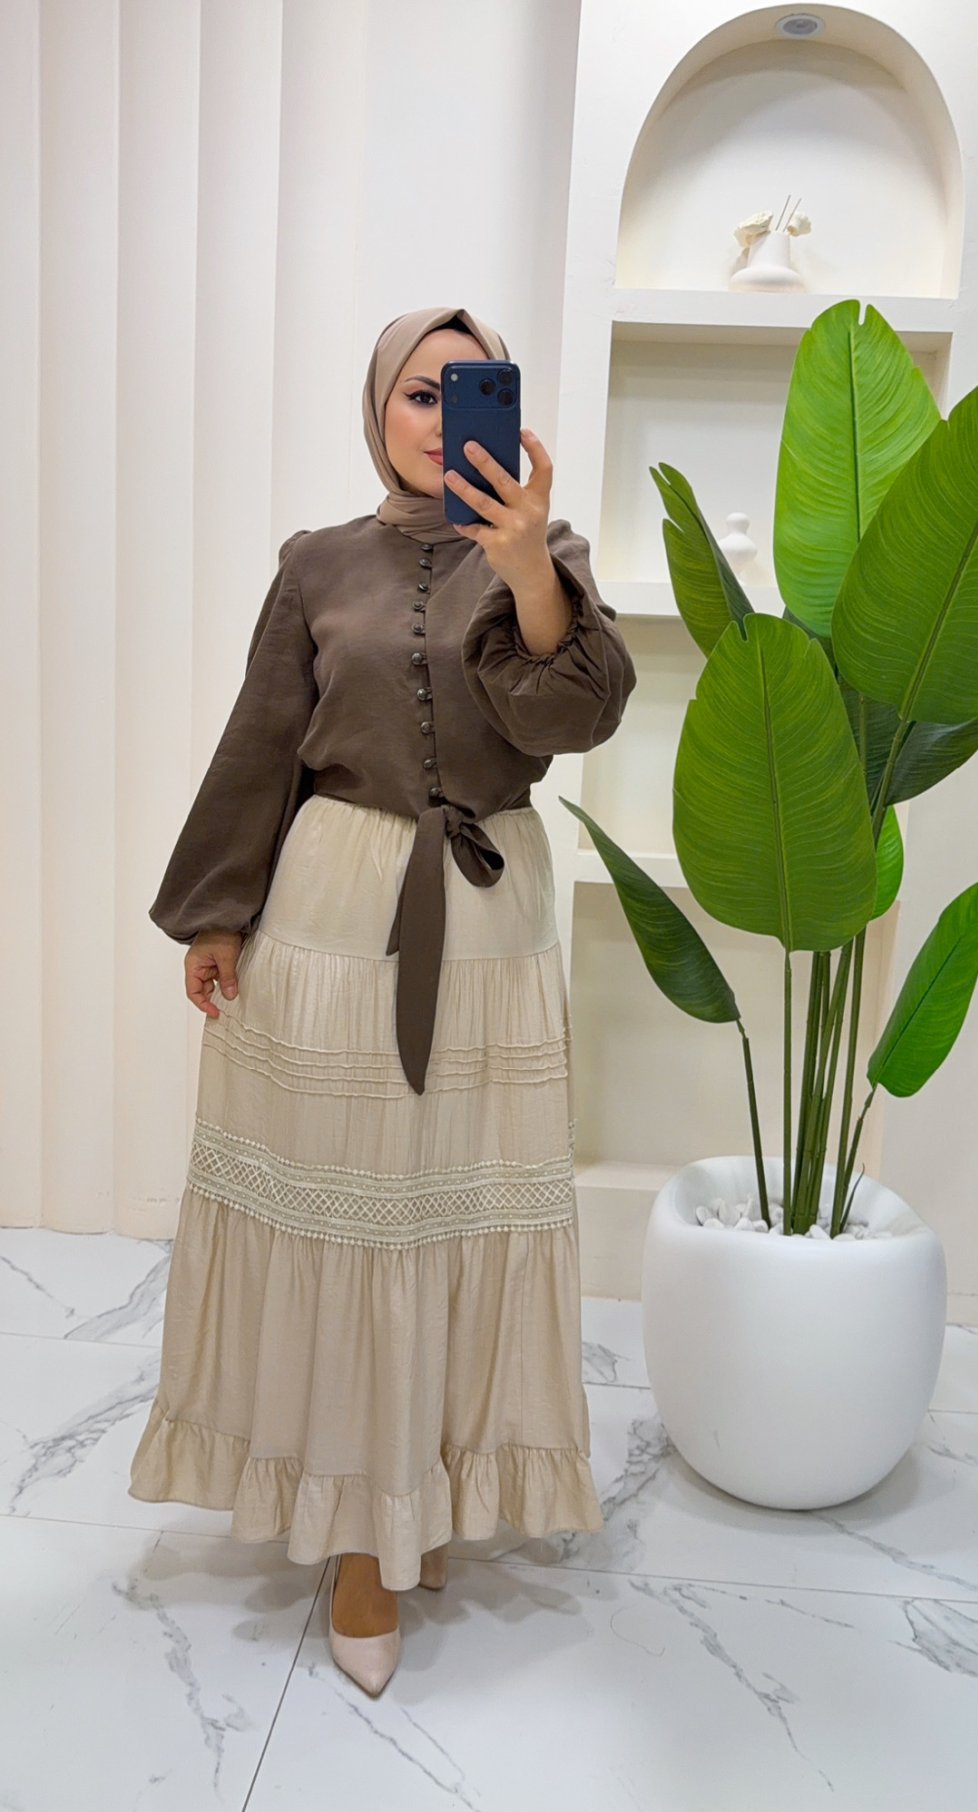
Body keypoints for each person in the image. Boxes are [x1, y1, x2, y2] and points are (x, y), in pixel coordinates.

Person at [128, 304, 638, 1696]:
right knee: (351, 1216)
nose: (438, 415)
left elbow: (570, 716)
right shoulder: (316, 563)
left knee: (459, 1208)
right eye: (418, 391)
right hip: (335, 910)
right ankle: (362, 1537)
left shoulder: (548, 554)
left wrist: (528, 572)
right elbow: (262, 740)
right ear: (378, 410)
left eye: (466, 390)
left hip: (488, 918)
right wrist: (217, 910)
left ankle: (436, 1485)